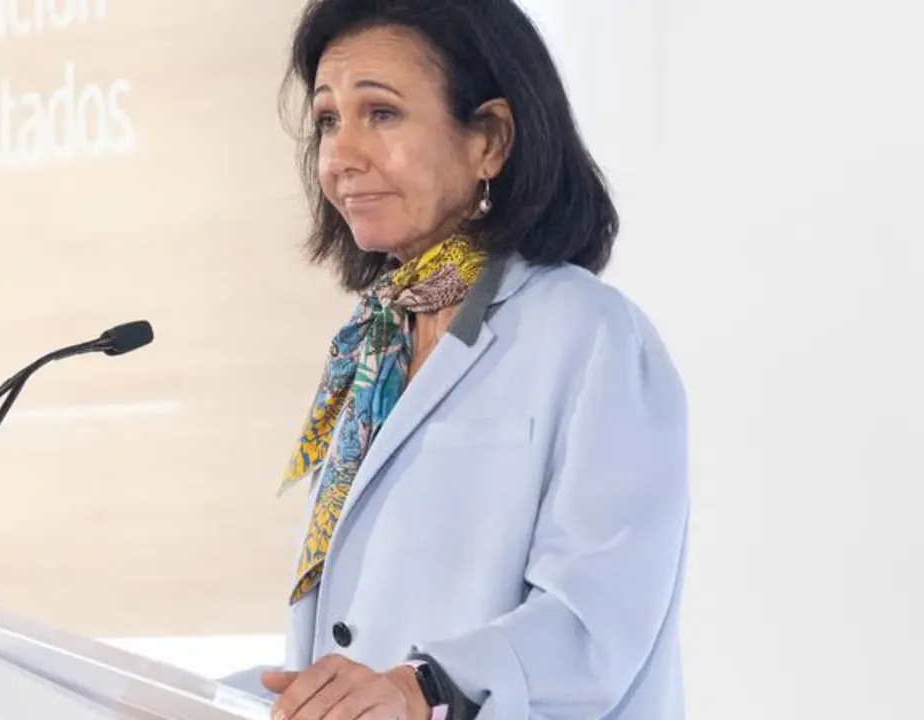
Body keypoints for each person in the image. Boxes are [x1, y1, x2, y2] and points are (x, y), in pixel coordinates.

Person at [221, 1, 690, 719]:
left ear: (490, 140)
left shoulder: (590, 334)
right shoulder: (372, 349)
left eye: (381, 113)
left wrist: (425, 686)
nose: (342, 157)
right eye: (328, 121)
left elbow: (597, 620)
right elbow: (357, 636)